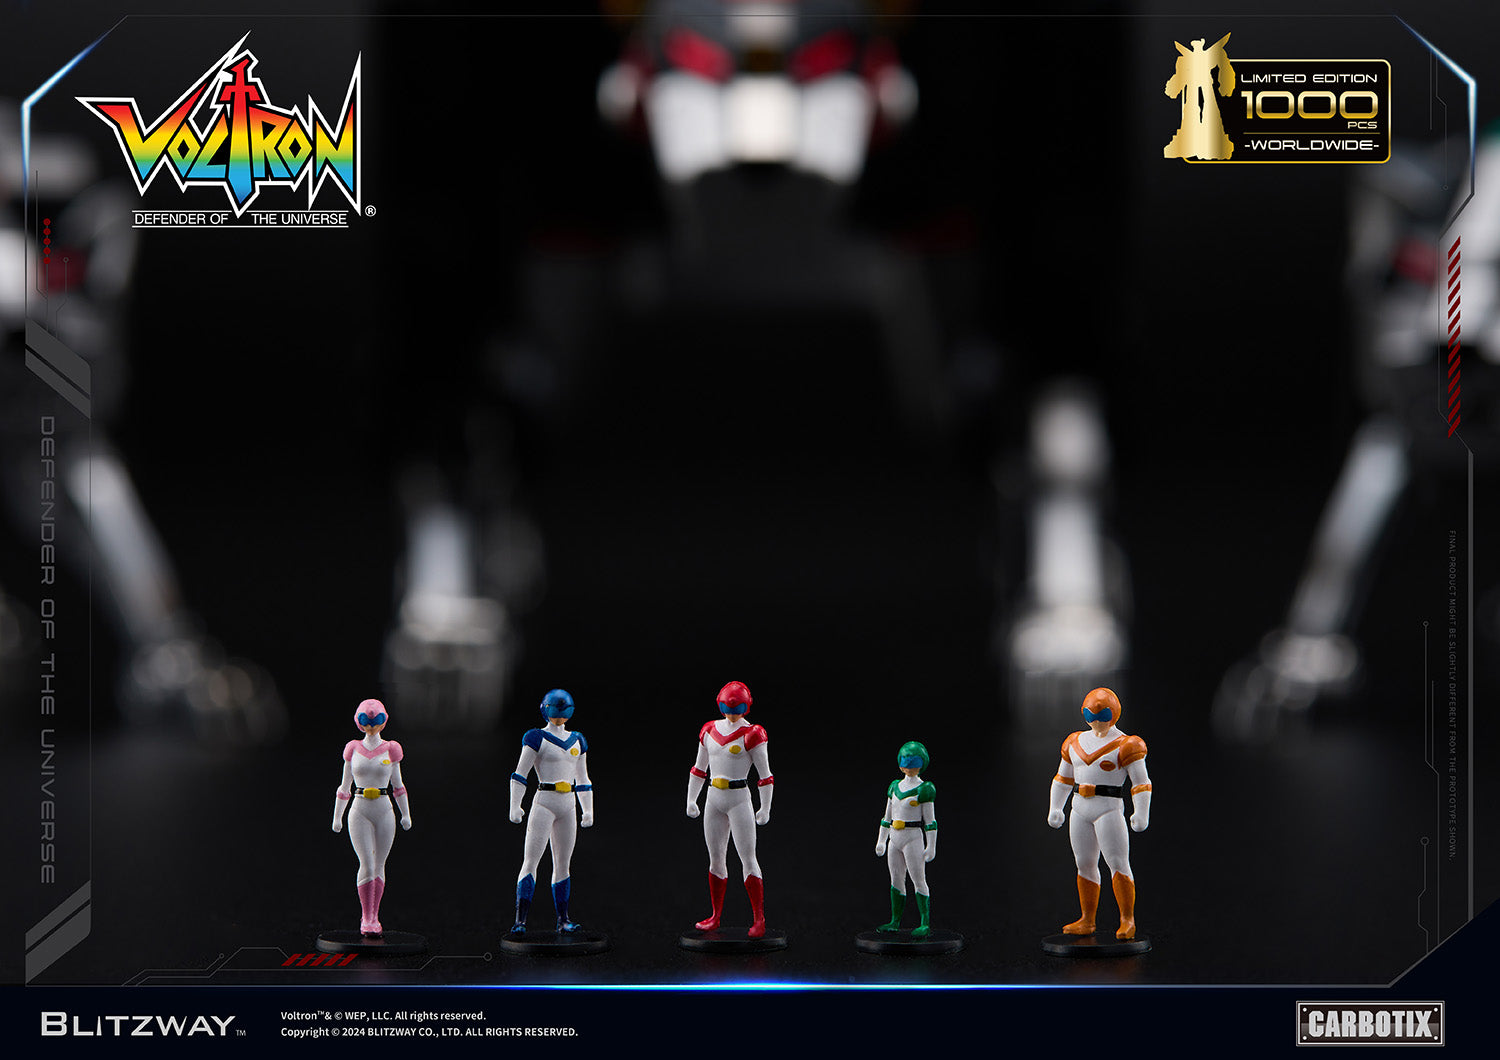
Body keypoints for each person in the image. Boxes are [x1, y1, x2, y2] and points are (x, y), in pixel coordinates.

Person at [1046, 687, 1151, 939]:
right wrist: (1055, 807)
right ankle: (1087, 919)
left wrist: (1141, 812)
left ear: (1114, 714)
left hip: (1109, 809)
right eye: (1089, 714)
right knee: (1084, 863)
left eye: (1102, 715)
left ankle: (1127, 919)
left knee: (1117, 863)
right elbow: (1062, 778)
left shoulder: (1127, 744)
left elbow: (1141, 783)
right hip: (1079, 808)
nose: (1095, 720)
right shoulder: (1074, 742)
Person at [685, 680, 773, 937]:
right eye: (727, 707)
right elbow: (699, 769)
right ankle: (715, 916)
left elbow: (765, 776)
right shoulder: (709, 730)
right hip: (714, 797)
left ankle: (758, 919)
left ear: (747, 707)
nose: (732, 713)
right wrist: (691, 799)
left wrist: (765, 807)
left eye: (738, 708)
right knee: (715, 859)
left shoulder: (753, 733)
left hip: (739, 799)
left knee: (748, 858)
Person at [509, 688, 594, 932]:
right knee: (531, 861)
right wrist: (515, 804)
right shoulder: (536, 737)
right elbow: (520, 773)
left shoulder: (577, 740)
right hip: (544, 802)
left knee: (563, 864)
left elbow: (583, 779)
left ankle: (563, 920)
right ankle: (520, 921)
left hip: (568, 804)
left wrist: (587, 809)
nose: (559, 714)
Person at [331, 699, 412, 936]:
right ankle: (366, 917)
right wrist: (337, 816)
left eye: (376, 720)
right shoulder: (353, 748)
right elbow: (344, 786)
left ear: (384, 720)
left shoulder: (391, 749)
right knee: (366, 863)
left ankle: (375, 917)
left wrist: (405, 813)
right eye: (365, 720)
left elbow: (398, 786)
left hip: (384, 809)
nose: (371, 725)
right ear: (359, 722)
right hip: (359, 809)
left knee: (379, 864)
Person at [874, 740, 938, 936]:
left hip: (913, 837)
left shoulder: (924, 789)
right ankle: (895, 921)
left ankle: (925, 923)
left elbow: (930, 821)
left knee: (918, 878)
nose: (908, 765)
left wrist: (931, 846)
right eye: (905, 760)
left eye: (913, 761)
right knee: (896, 878)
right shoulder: (894, 787)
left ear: (922, 763)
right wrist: (881, 840)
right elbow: (886, 817)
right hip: (894, 837)